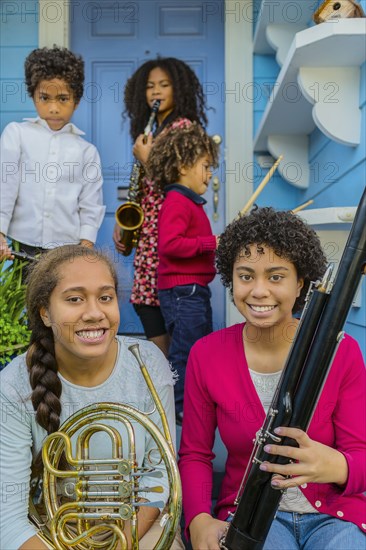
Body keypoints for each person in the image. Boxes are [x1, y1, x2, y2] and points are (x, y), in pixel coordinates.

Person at [178, 207, 366, 550]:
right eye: (246, 276)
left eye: (276, 277)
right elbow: (195, 454)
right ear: (230, 279)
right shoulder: (206, 354)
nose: (259, 291)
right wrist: (198, 519)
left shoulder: (342, 350)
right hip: (250, 514)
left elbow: (360, 453)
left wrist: (337, 465)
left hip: (335, 515)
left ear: (300, 284)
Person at [0, 245, 184, 550]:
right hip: (48, 533)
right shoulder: (13, 385)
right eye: (74, 299)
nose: (95, 313)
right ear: (45, 312)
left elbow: (160, 474)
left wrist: (121, 542)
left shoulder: (147, 362)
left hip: (137, 526)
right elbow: (8, 518)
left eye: (105, 297)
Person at [113, 57, 208, 357]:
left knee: (164, 301)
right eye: (150, 86)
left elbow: (182, 181)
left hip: (169, 224)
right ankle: (164, 370)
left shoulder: (185, 129)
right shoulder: (150, 128)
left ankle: (174, 374)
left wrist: (147, 158)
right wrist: (126, 217)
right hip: (148, 229)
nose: (156, 91)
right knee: (145, 301)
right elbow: (144, 184)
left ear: (179, 89)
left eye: (164, 84)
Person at [0, 46, 105, 262]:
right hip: (22, 245)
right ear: (33, 96)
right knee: (26, 296)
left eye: (63, 99)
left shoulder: (87, 152)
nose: (54, 108)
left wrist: (86, 242)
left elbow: (91, 204)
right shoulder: (17, 134)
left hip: (67, 250)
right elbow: (5, 186)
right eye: (45, 98)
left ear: (76, 101)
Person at [147, 123, 219, 421]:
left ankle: (192, 402)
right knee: (185, 352)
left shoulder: (190, 202)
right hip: (183, 291)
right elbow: (170, 245)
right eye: (205, 166)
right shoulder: (177, 201)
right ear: (183, 164)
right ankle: (178, 407)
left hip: (193, 290)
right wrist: (211, 243)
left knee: (199, 348)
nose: (210, 173)